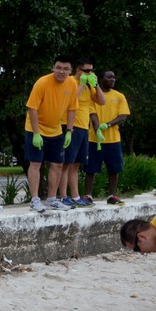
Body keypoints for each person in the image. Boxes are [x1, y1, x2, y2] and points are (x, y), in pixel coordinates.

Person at [24, 55, 78, 213]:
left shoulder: (72, 84)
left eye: (66, 69)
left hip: (56, 130)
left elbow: (72, 108)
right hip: (36, 128)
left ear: (70, 71)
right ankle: (34, 199)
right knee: (36, 163)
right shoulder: (42, 82)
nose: (62, 71)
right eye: (59, 68)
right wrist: (36, 133)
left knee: (58, 164)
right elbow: (32, 108)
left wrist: (69, 130)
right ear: (53, 68)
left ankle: (52, 199)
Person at [58, 59, 105, 207]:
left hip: (83, 127)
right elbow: (70, 100)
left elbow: (102, 101)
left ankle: (76, 196)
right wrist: (81, 84)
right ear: (78, 71)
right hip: (69, 125)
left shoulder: (89, 86)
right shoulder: (70, 81)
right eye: (86, 71)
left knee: (76, 165)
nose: (90, 73)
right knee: (66, 163)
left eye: (92, 70)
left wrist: (95, 85)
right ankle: (63, 196)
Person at [84, 70, 129, 206]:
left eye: (114, 77)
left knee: (114, 169)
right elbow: (92, 115)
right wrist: (97, 129)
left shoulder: (119, 96)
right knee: (90, 169)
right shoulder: (93, 96)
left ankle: (112, 195)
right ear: (101, 79)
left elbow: (123, 116)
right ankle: (88, 196)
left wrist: (107, 125)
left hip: (113, 139)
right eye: (109, 77)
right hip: (94, 139)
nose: (112, 79)